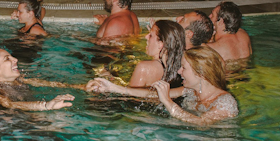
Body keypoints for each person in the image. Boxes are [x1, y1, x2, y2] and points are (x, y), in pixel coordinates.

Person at [86, 46, 239, 125]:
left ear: (200, 74)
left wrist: (168, 102)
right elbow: (152, 94)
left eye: (184, 68)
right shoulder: (190, 91)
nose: (179, 72)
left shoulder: (225, 102)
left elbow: (202, 123)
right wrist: (113, 88)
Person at [0, 48, 79, 111]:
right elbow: (9, 104)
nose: (15, 59)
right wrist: (46, 106)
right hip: (8, 124)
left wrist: (81, 87)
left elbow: (48, 84)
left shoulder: (19, 80)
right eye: (7, 59)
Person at [114, 20, 185, 88]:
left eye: (150, 35)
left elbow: (130, 97)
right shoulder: (181, 66)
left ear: (160, 44)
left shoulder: (144, 67)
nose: (146, 37)